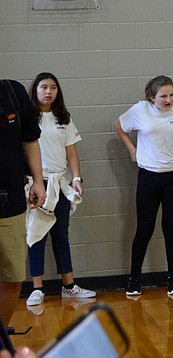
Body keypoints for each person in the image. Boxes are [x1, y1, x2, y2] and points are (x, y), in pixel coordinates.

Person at [24, 73, 95, 308]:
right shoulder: (28, 117)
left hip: (59, 182)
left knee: (61, 235)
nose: (48, 92)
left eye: (53, 87)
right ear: (35, 90)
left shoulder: (63, 117)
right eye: (44, 87)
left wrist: (76, 178)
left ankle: (68, 285)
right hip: (37, 183)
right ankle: (37, 287)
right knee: (36, 235)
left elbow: (71, 152)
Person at [114, 76, 173, 296]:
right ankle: (134, 278)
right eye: (163, 96)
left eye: (171, 95)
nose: (168, 100)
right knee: (144, 229)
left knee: (171, 228)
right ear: (152, 97)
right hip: (149, 177)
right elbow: (119, 125)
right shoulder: (140, 110)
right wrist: (132, 150)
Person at [0, 79, 45, 326]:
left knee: (12, 275)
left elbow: (29, 140)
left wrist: (38, 180)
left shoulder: (12, 93)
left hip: (10, 205)